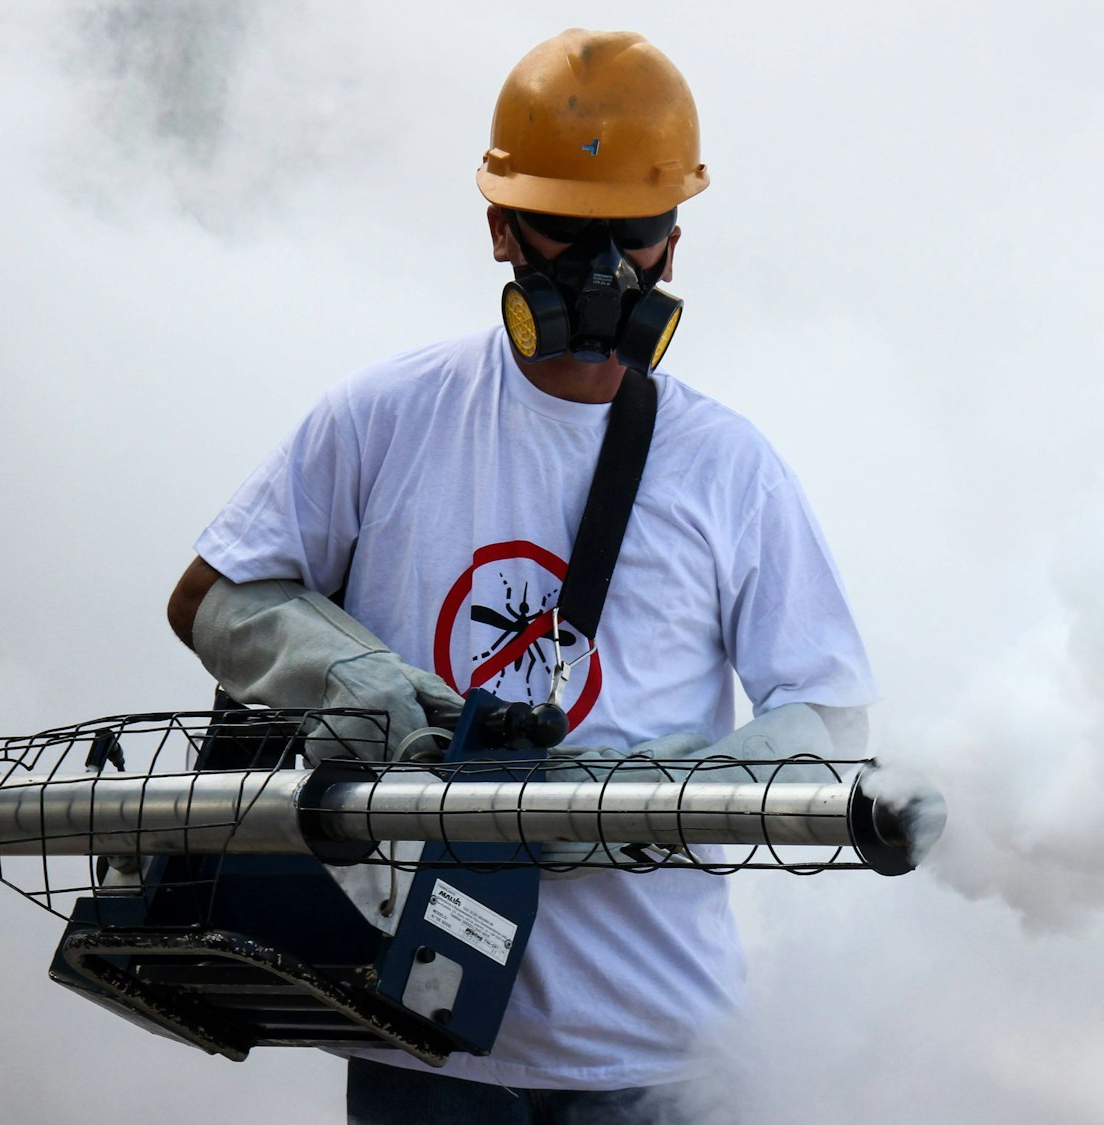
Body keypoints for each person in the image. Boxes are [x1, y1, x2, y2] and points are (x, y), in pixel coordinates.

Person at [165, 28, 876, 1125]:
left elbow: (829, 713)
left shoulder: (728, 467)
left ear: (673, 243)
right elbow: (215, 596)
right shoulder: (386, 419)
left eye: (631, 231)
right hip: (423, 1046)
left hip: (658, 1051)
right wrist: (356, 684)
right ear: (499, 227)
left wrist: (659, 796)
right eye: (566, 227)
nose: (603, 267)